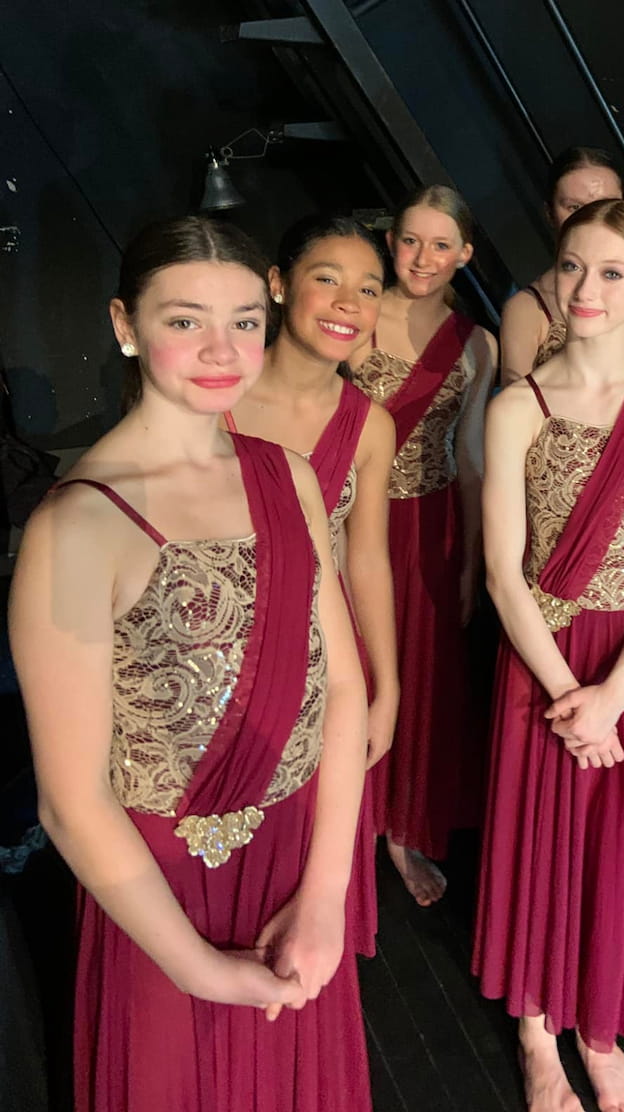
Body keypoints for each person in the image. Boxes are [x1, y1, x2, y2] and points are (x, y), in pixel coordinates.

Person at [9, 216, 370, 1112]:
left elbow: (345, 687)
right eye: (185, 321)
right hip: (160, 893)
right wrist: (201, 971)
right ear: (126, 325)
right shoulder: (78, 525)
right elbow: (71, 800)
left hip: (297, 860)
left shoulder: (285, 474)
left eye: (245, 320)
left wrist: (327, 894)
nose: (222, 350)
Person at [474, 198, 624, 1112]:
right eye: (572, 266)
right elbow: (503, 574)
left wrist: (616, 692)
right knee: (540, 837)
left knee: (622, 840)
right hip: (548, 655)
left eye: (612, 272)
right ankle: (538, 1034)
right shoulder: (517, 403)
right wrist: (575, 693)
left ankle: (601, 1027)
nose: (586, 288)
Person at [223, 212, 397, 953]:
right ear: (277, 283)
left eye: (368, 288)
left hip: (322, 667)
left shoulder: (370, 425)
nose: (348, 303)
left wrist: (387, 688)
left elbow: (367, 561)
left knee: (303, 866)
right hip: (218, 654)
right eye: (327, 278)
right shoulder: (214, 389)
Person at [349, 186, 496, 905]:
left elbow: (470, 455)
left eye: (442, 244)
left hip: (431, 526)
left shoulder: (477, 343)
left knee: (421, 678)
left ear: (465, 254)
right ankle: (345, 826)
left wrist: (471, 557)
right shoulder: (357, 316)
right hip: (356, 524)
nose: (424, 257)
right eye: (411, 240)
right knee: (356, 667)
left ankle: (400, 831)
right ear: (390, 241)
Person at [499, 147, 624, 384]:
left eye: (606, 204)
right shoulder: (526, 309)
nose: (593, 218)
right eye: (574, 207)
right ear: (550, 213)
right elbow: (515, 407)